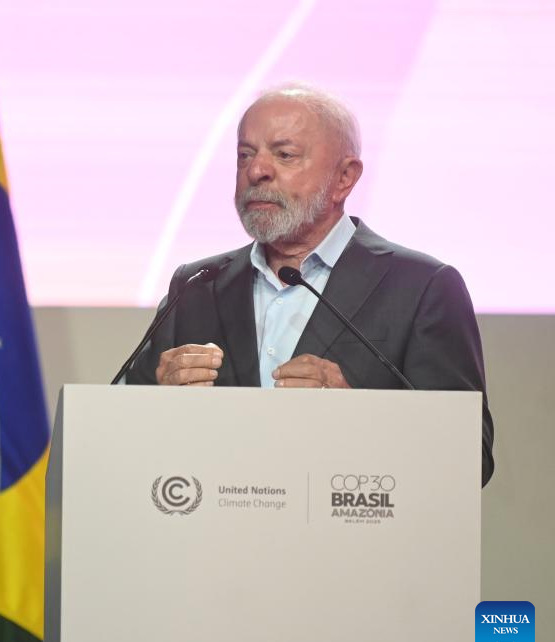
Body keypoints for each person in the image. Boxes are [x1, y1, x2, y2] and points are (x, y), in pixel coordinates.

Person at [125, 84, 494, 486]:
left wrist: (357, 418)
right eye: (245, 155)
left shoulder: (422, 288)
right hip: (214, 539)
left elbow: (471, 458)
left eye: (284, 155)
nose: (256, 170)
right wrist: (154, 402)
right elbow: (118, 429)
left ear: (344, 178)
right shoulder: (196, 285)